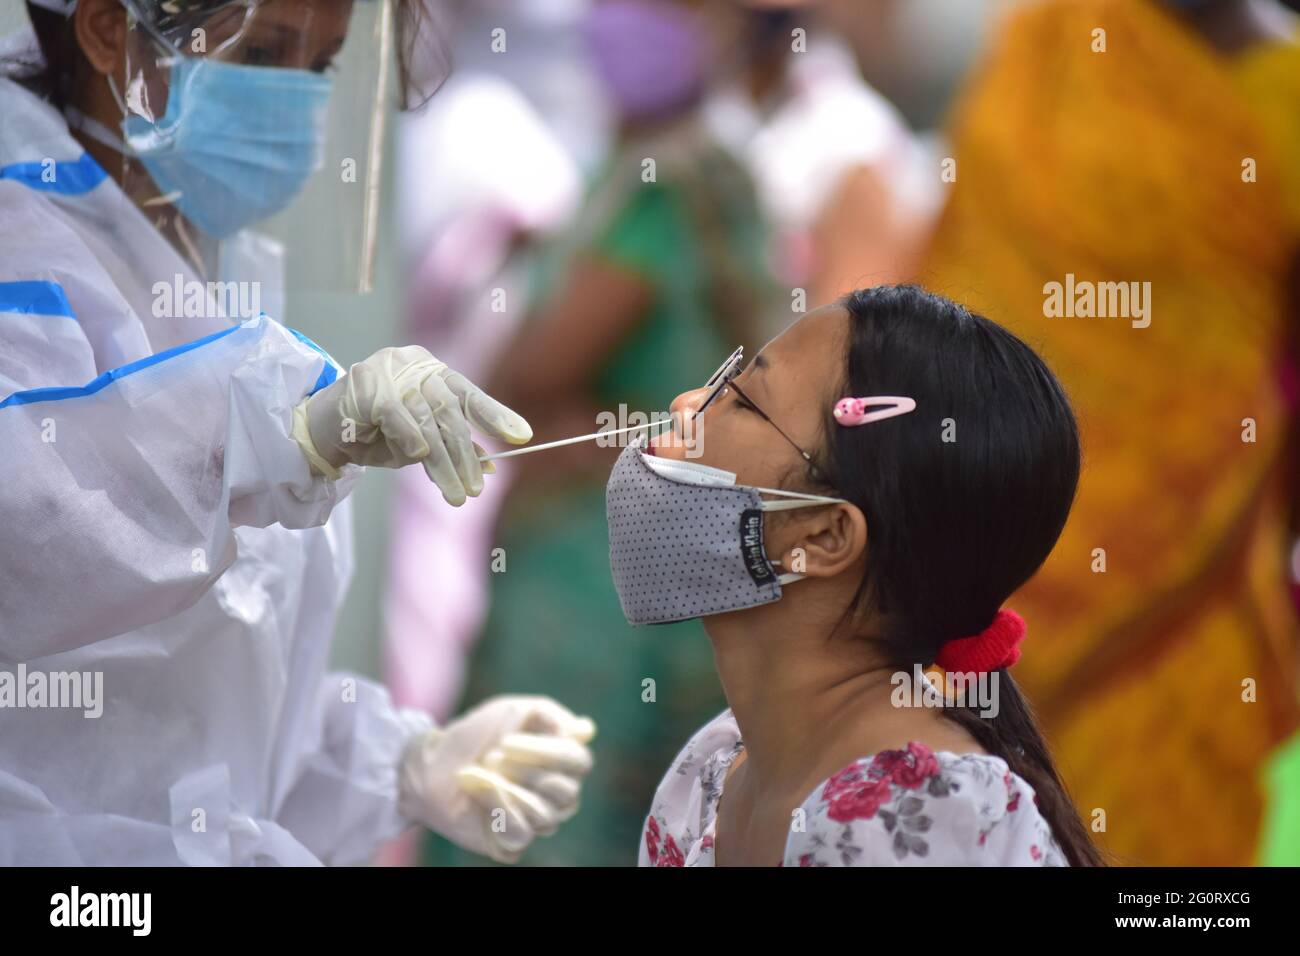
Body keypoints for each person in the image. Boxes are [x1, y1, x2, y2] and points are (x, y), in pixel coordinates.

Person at [0, 0, 594, 865]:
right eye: (266, 51)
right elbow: (30, 533)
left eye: (320, 67)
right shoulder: (21, 242)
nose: (296, 102)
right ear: (105, 30)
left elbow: (206, 690)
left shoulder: (205, 258)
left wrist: (402, 765)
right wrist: (270, 435)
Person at [919, 0, 1300, 865]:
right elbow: (955, 268)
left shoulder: (1286, 93)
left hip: (1190, 565)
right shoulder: (1050, 42)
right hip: (973, 511)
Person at [425, 0, 777, 866]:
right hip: (673, 560)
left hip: (598, 575)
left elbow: (529, 373)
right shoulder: (683, 174)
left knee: (541, 807)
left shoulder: (663, 184)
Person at [618, 285, 1104, 867]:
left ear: (824, 537)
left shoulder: (925, 814)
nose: (686, 404)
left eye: (743, 399)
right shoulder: (714, 768)